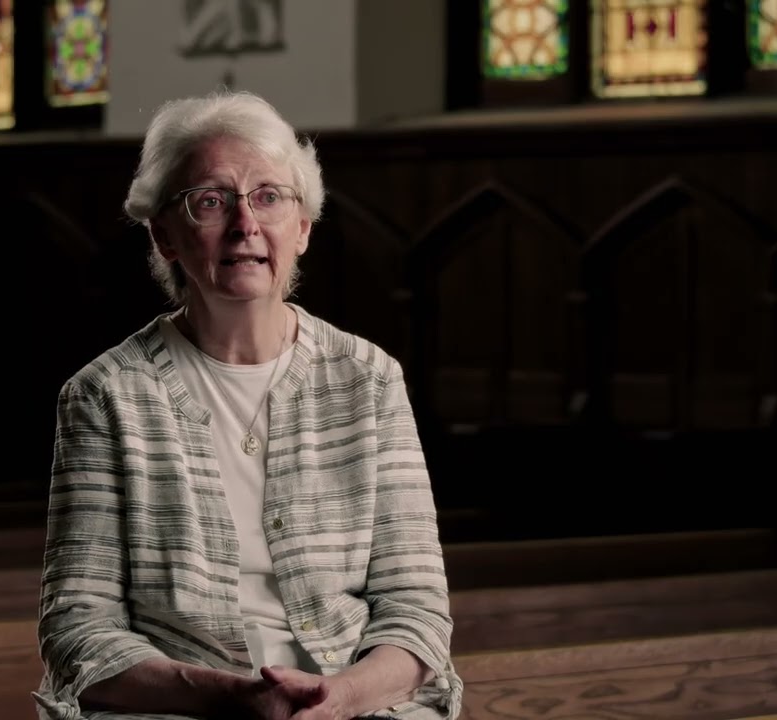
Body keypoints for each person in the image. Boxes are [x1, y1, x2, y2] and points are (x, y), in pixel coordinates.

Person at [32, 90, 462, 720]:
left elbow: (416, 607)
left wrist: (335, 700)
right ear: (165, 236)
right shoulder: (106, 395)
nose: (245, 225)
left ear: (304, 228)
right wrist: (226, 696)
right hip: (177, 710)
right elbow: (77, 629)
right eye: (211, 201)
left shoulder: (369, 380)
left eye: (269, 197)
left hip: (358, 706)